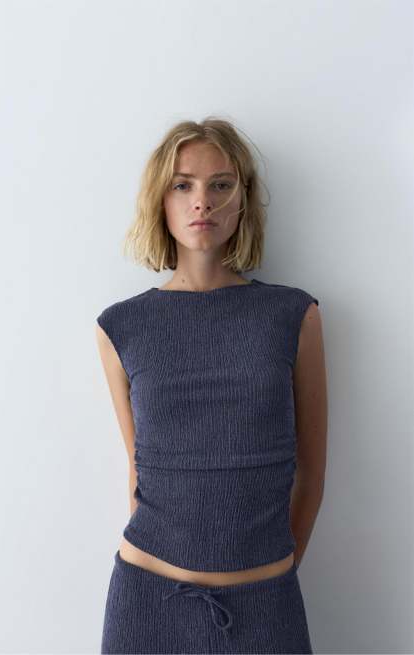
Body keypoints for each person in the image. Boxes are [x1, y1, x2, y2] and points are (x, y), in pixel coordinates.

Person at [95, 117, 327, 654]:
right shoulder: (120, 327)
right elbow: (139, 468)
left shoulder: (292, 315)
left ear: (242, 200)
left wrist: (270, 571)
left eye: (221, 184)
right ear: (160, 200)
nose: (203, 201)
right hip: (147, 602)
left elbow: (312, 472)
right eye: (183, 185)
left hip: (266, 604)